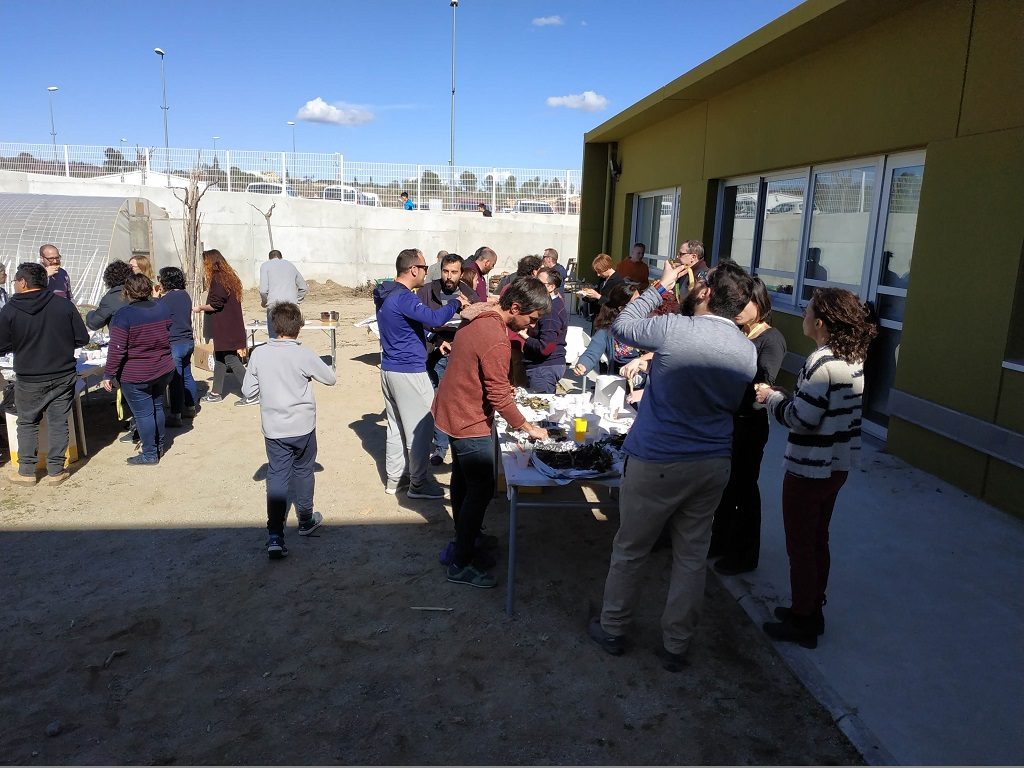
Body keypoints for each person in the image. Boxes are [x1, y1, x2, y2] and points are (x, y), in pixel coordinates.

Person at [587, 260, 756, 672]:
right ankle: (676, 645)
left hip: (658, 458)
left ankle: (613, 628)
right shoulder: (746, 349)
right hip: (712, 462)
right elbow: (734, 402)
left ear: (705, 293)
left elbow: (622, 325)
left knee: (631, 548)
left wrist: (661, 286)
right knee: (691, 557)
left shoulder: (675, 329)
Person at [755, 288, 877, 649]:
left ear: (820, 322)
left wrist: (771, 398)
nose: (803, 316)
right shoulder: (852, 358)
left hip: (810, 468)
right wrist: (787, 398)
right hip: (836, 466)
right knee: (817, 540)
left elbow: (801, 419)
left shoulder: (821, 362)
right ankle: (810, 608)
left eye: (807, 311)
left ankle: (803, 621)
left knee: (801, 547)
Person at [432, 278, 550, 588]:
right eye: (532, 319)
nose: (532, 326)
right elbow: (498, 396)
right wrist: (527, 427)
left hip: (451, 409)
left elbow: (482, 374)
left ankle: (466, 538)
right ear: (515, 307)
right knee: (481, 489)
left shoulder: (480, 314)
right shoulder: (496, 337)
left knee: (463, 480)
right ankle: (460, 563)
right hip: (468, 419)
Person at [374, 248, 474, 498]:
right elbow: (433, 318)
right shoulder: (404, 297)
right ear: (413, 270)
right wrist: (456, 303)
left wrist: (432, 339)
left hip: (390, 369)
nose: (427, 272)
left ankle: (395, 479)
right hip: (409, 371)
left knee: (396, 427)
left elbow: (407, 326)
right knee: (421, 428)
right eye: (425, 267)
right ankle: (418, 483)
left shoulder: (386, 293)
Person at [242, 302, 337, 560]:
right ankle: (305, 519)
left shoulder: (259, 354)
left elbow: (248, 391)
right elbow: (330, 378)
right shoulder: (303, 354)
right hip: (303, 426)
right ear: (299, 327)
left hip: (274, 428)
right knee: (304, 469)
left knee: (277, 476)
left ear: (273, 326)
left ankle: (275, 535)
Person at [709, 278, 787, 575]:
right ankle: (720, 541)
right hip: (727, 420)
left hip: (748, 425)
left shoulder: (771, 339)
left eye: (745, 304)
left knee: (744, 488)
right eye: (736, 304)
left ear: (760, 303)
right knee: (725, 486)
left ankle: (745, 554)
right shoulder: (737, 332)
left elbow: (763, 383)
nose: (738, 310)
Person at [0, 262, 89, 485]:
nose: (14, 284)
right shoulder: (63, 305)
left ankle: (27, 472)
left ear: (23, 282)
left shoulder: (9, 310)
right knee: (58, 422)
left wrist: (20, 343)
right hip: (62, 374)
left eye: (15, 280)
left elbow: (1, 345)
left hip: (29, 377)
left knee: (27, 422)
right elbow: (82, 338)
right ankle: (56, 471)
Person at [101, 273, 175, 465]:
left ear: (126, 292)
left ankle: (150, 453)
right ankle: (158, 446)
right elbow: (168, 332)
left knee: (144, 414)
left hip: (137, 373)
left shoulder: (124, 315)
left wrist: (109, 374)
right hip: (163, 368)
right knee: (156, 407)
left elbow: (117, 349)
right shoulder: (162, 308)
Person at [416, 253, 478, 466]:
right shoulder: (426, 291)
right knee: (434, 400)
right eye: (445, 271)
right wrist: (436, 338)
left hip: (459, 355)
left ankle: (454, 447)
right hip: (432, 353)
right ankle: (439, 447)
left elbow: (477, 325)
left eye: (454, 272)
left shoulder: (469, 294)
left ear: (461, 273)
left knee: (455, 402)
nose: (449, 276)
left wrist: (468, 313)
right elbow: (418, 321)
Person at [192, 249, 254, 406]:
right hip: (229, 325)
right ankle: (216, 392)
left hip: (226, 327)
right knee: (219, 357)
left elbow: (216, 304)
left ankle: (252, 392)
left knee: (230, 358)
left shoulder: (218, 279)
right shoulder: (228, 277)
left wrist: (200, 308)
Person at [157, 266, 197, 426]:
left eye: (160, 279)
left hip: (175, 343)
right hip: (187, 341)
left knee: (175, 380)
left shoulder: (167, 299)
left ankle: (176, 415)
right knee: (187, 375)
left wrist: (155, 298)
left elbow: (156, 311)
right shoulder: (185, 295)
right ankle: (190, 407)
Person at [573, 284, 641, 377]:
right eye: (636, 303)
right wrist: (583, 365)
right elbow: (593, 351)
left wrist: (640, 360)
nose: (641, 305)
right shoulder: (608, 330)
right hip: (620, 380)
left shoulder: (649, 324)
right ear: (621, 308)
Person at [523, 267, 568, 394]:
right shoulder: (549, 305)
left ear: (551, 287)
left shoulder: (550, 311)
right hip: (545, 367)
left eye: (539, 283)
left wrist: (524, 336)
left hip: (544, 368)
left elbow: (546, 347)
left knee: (541, 405)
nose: (534, 286)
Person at [258, 249, 308, 339]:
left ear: (269, 258)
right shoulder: (291, 265)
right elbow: (303, 288)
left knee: (275, 340)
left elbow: (263, 291)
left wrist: (265, 303)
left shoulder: (265, 265)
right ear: (281, 257)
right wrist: (297, 301)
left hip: (274, 307)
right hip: (291, 307)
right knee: (291, 339)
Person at [576, 253, 625, 323]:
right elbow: (597, 297)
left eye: (599, 271)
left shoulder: (618, 281)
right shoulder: (603, 279)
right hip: (599, 317)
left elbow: (616, 303)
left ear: (606, 267)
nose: (598, 275)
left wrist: (598, 296)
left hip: (609, 319)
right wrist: (585, 295)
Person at [86, 260, 133, 331]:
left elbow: (93, 324)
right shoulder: (138, 292)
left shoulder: (111, 298)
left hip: (121, 336)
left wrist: (90, 313)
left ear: (108, 278)